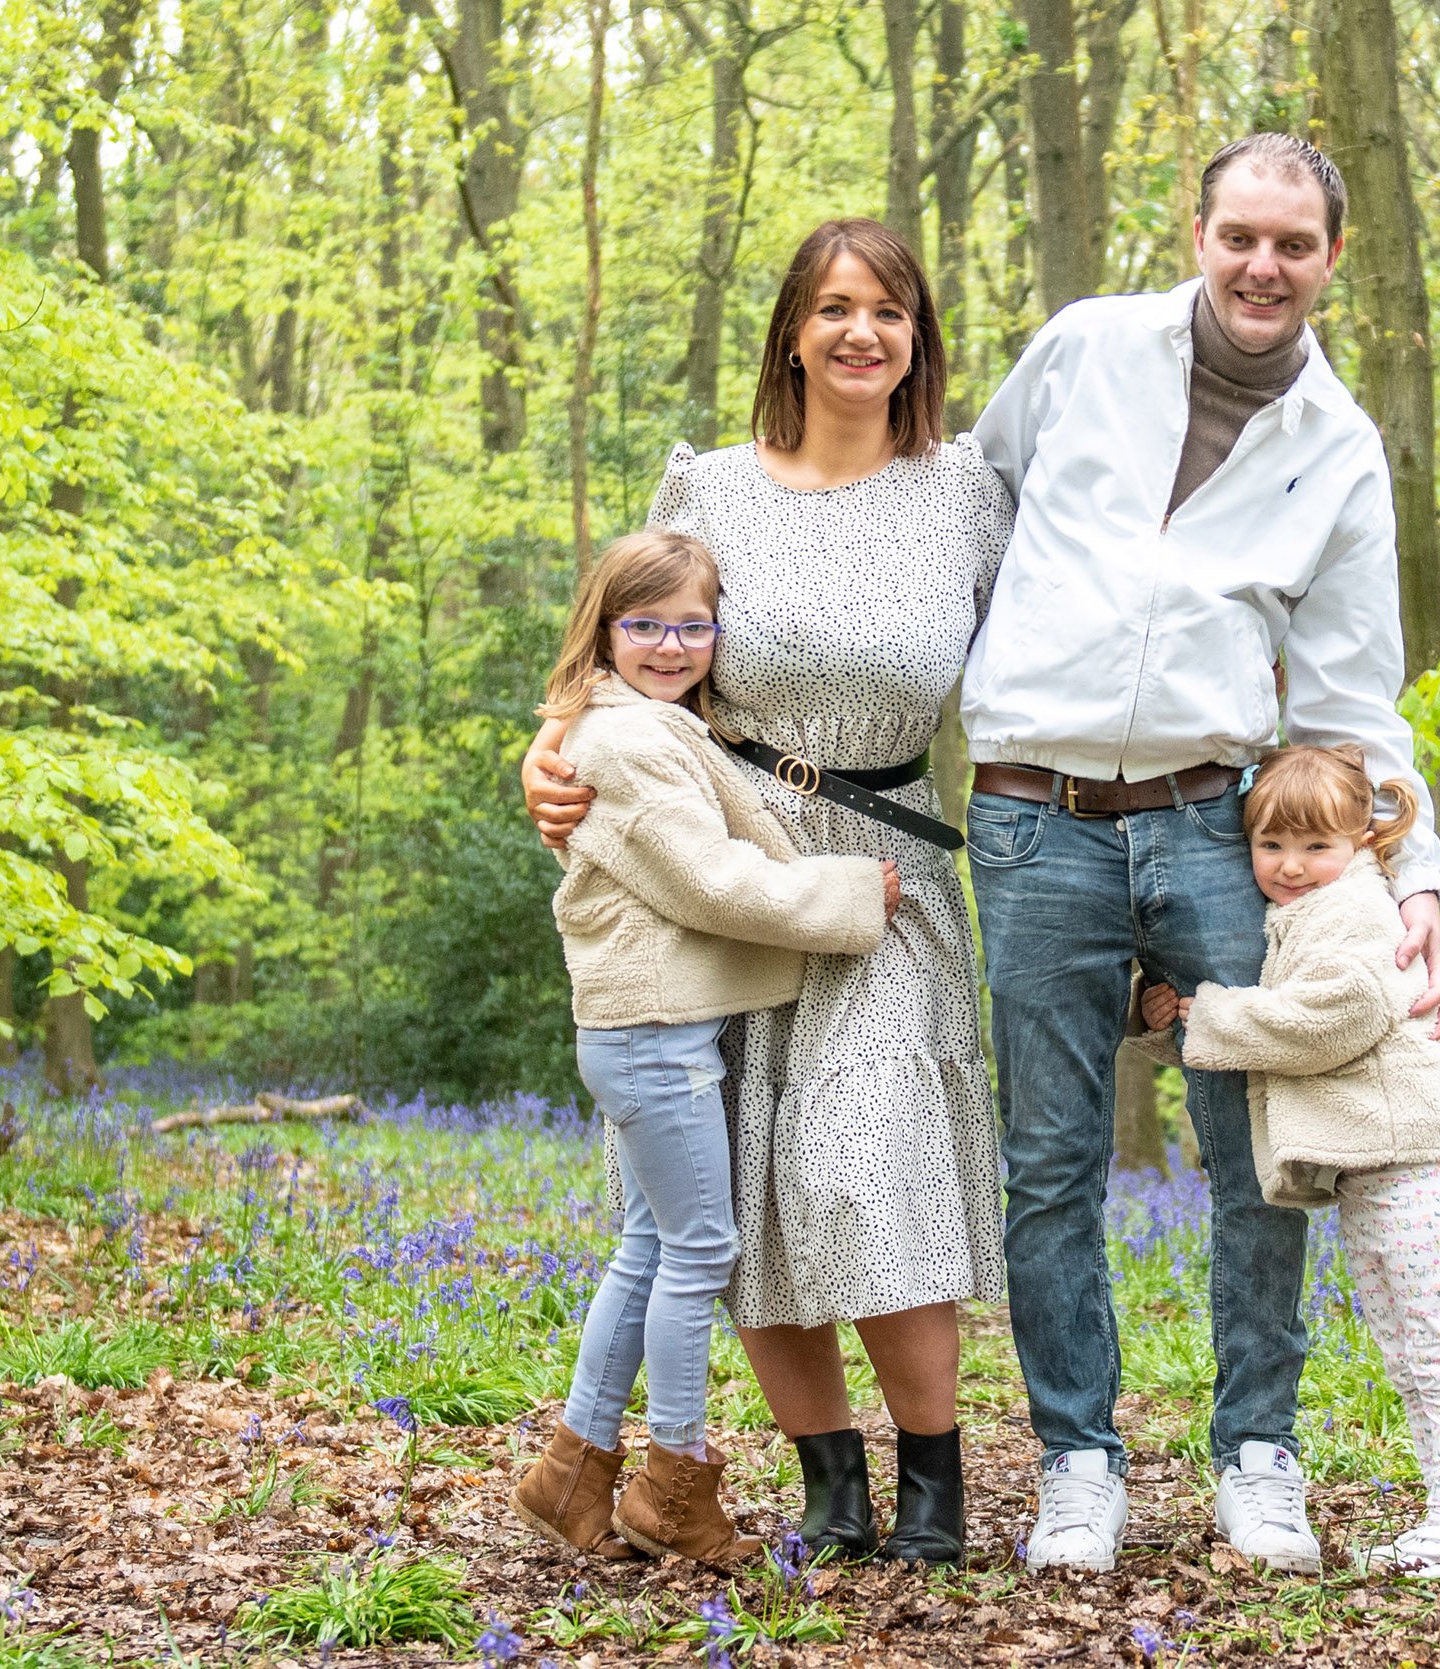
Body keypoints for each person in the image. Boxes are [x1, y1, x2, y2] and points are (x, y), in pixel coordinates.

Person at [964, 131, 1440, 1574]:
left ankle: (1258, 1453)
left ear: (1330, 262)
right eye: (1241, 234)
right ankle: (1076, 1461)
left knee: (1260, 1142)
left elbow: (1356, 699)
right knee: (1050, 1158)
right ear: (1198, 232)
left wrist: (1411, 875)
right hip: (1028, 809)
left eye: (1293, 245)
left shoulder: (1342, 448)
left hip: (1212, 820)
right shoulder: (1082, 351)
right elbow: (970, 521)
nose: (1263, 265)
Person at [521, 219, 1011, 1567]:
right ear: (791, 330)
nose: (864, 335)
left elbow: (1044, 662)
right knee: (739, 1188)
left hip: (887, 861)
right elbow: (620, 642)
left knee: (867, 1165)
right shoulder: (712, 486)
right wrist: (544, 752)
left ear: (921, 338)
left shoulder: (966, 491)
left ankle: (935, 1492)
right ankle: (827, 1494)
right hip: (716, 849)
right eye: (836, 308)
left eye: (890, 313)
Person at [510, 528, 900, 1567]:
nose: (673, 645)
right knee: (696, 1253)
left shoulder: (641, 724)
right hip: (652, 1035)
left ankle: (573, 1467)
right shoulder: (629, 742)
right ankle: (674, 1484)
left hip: (649, 1029)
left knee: (647, 1248)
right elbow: (713, 881)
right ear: (604, 631)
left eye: (693, 625)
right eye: (647, 625)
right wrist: (854, 894)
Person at [1136, 745, 1440, 1581]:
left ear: (1362, 844)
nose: (1291, 867)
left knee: (1437, 1350)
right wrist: (1172, 1023)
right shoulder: (1305, 913)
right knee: (1410, 1351)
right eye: (1270, 847)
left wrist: (1213, 1012)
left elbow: (1332, 1018)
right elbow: (1267, 1032)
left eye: (1314, 847)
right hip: (1380, 1169)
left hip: (1419, 1159)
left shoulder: (1358, 908)